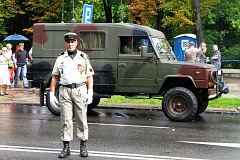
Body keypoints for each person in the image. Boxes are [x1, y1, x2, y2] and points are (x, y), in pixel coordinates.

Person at [49, 32, 94, 158]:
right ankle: (66, 147)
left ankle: (83, 146)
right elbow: (55, 77)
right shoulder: (60, 58)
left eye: (72, 42)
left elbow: (89, 76)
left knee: (81, 118)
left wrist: (90, 92)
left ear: (76, 42)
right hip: (65, 91)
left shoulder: (83, 57)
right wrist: (51, 94)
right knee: (66, 119)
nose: (70, 44)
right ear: (65, 43)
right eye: (68, 42)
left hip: (80, 90)